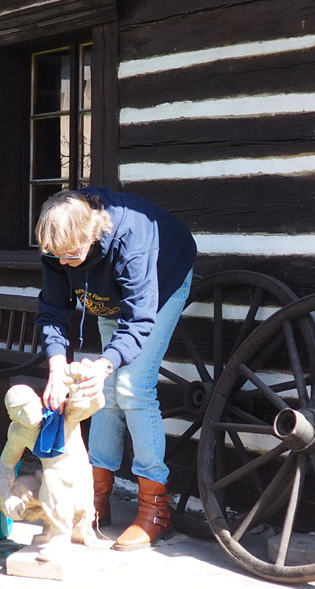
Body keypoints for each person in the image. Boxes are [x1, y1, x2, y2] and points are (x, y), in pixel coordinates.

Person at [34, 186, 196, 550]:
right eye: (56, 257)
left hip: (162, 279)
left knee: (132, 387)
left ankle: (156, 507)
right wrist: (57, 367)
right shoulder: (60, 246)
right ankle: (96, 497)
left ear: (91, 235)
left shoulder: (131, 239)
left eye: (71, 256)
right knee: (102, 390)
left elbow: (138, 319)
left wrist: (106, 363)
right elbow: (53, 310)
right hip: (109, 295)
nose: (64, 264)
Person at [0, 366, 104, 562]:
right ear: (12, 417)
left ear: (37, 400)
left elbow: (92, 405)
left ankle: (61, 537)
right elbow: (6, 465)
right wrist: (8, 497)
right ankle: (51, 526)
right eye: (19, 412)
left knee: (52, 475)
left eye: (28, 405)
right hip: (50, 483)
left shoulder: (58, 414)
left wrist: (77, 386)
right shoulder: (18, 431)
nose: (26, 413)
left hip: (76, 481)